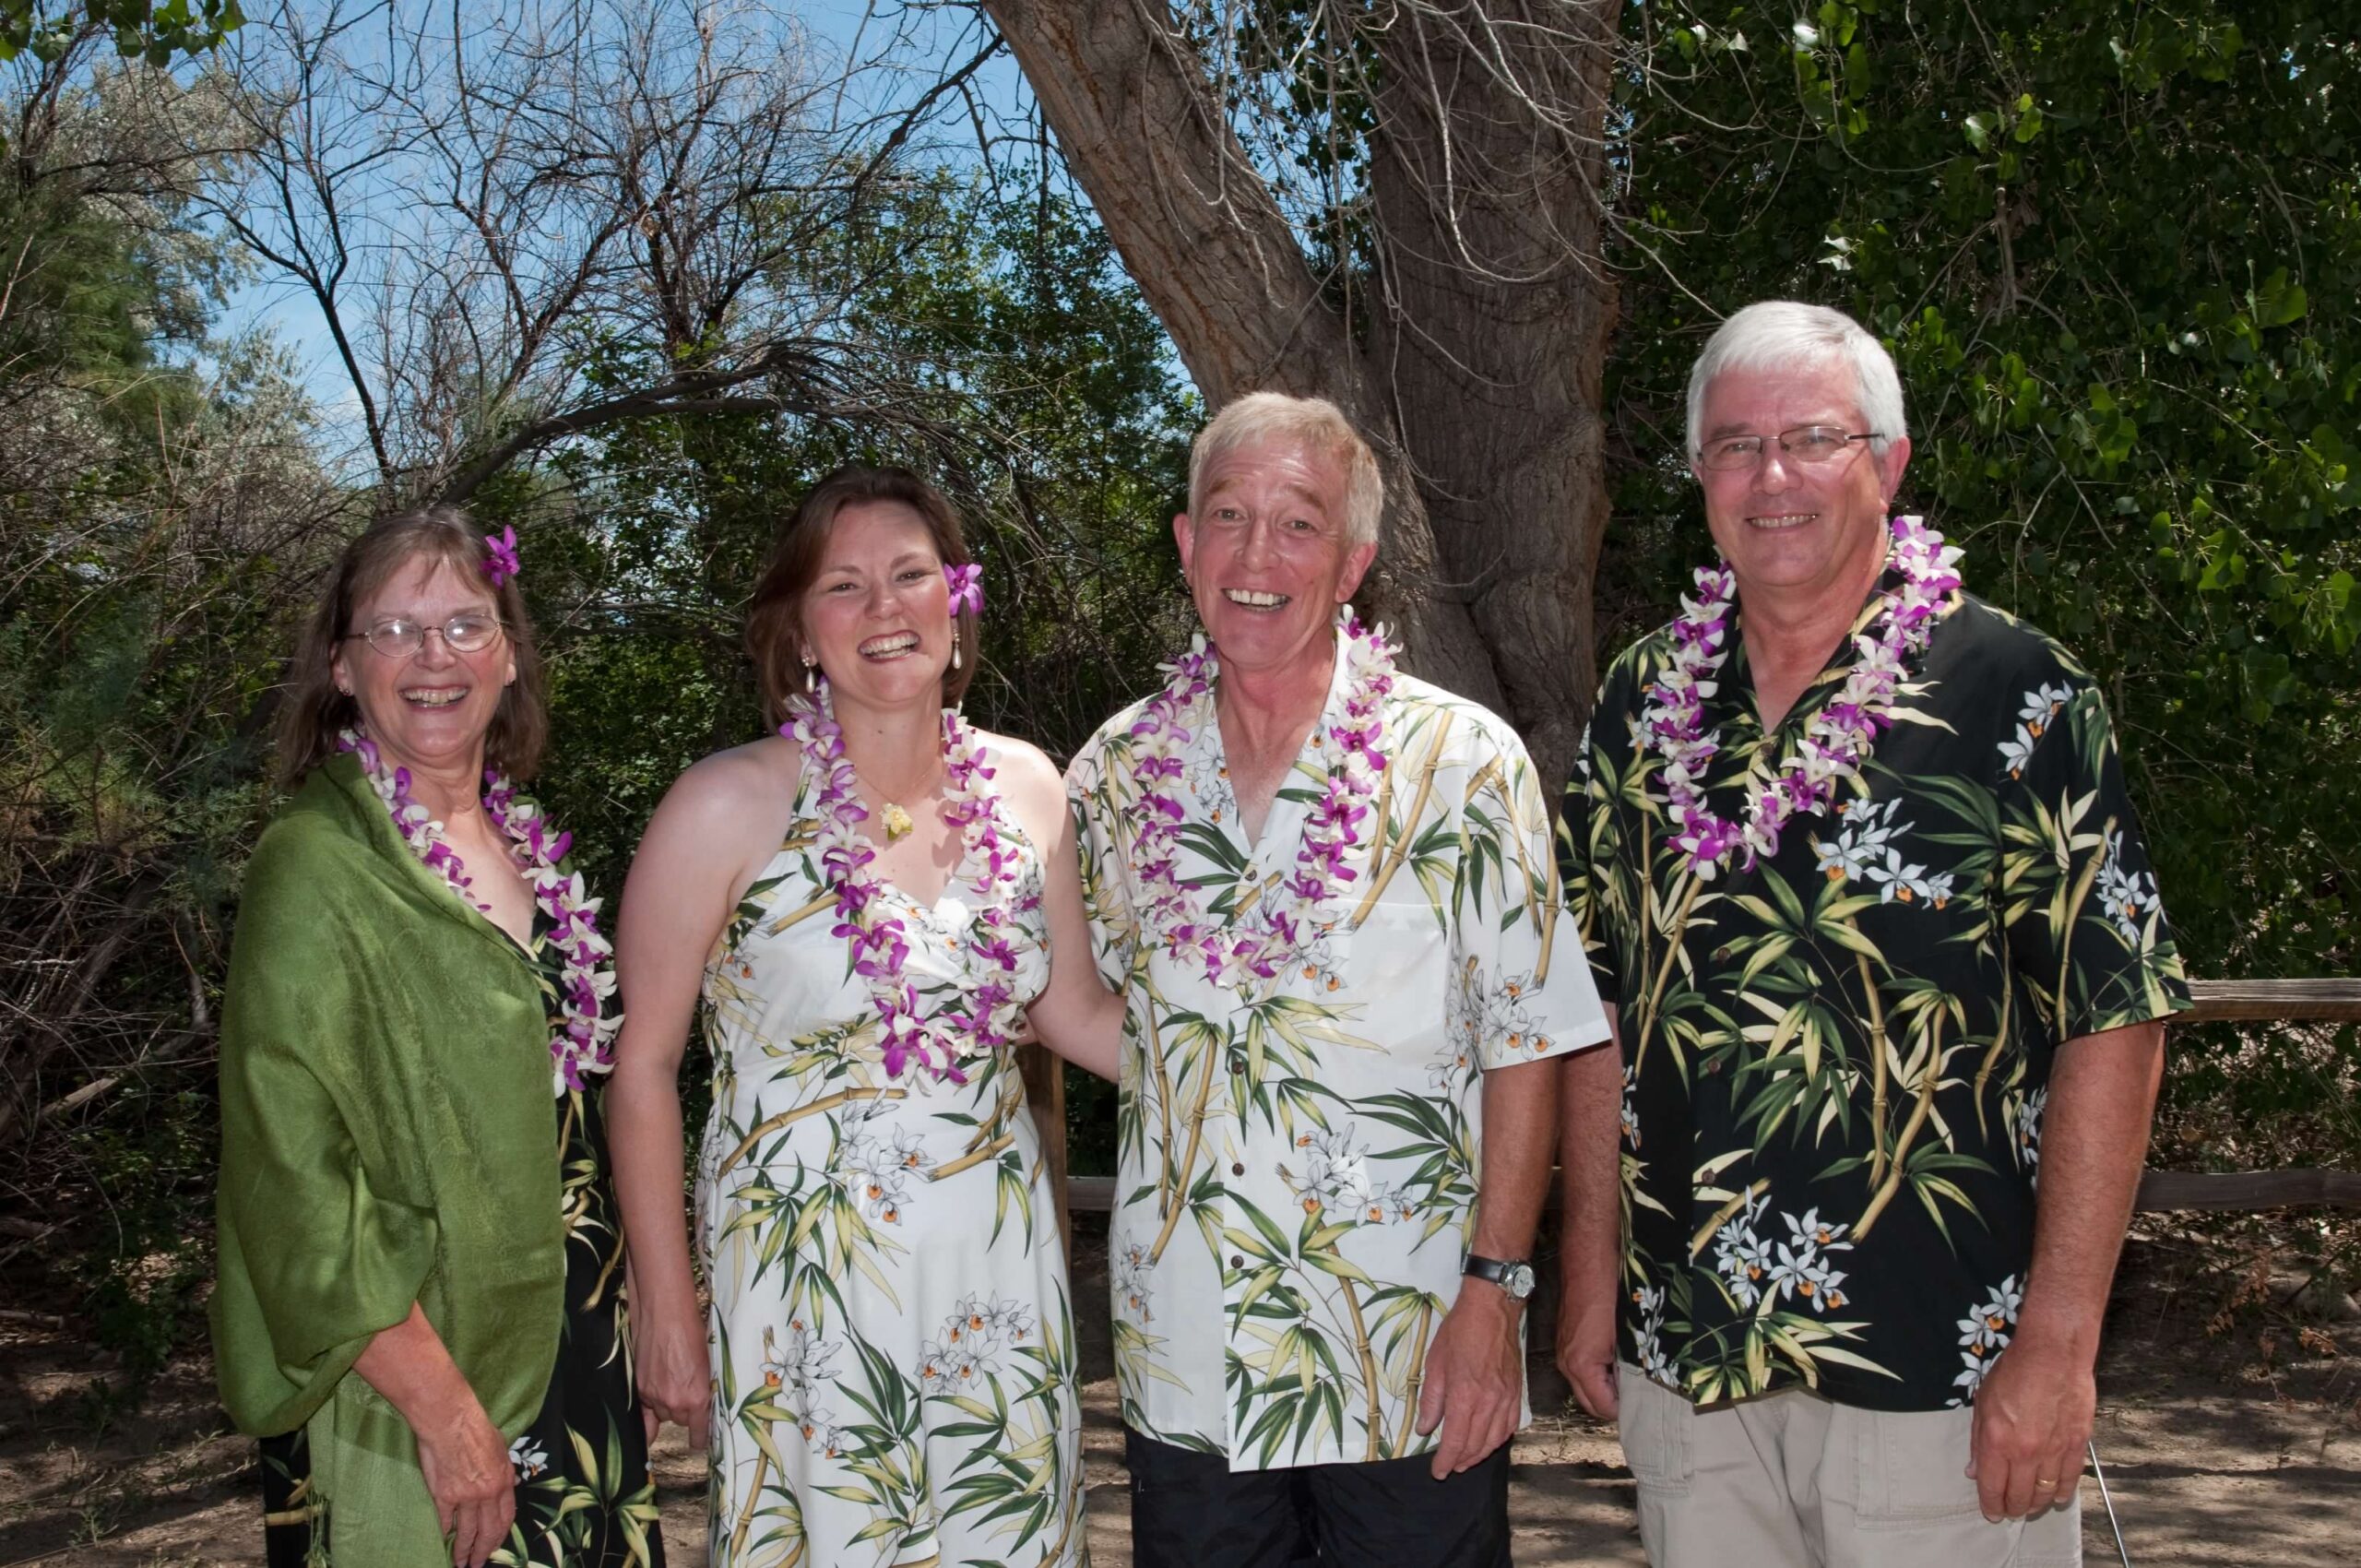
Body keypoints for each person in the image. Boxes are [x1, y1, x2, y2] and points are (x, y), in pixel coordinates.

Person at [1554, 301, 2191, 1567]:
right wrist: (1590, 1282)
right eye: (1735, 446)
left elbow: (2115, 1017)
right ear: (1699, 479)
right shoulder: (1640, 703)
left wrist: (2060, 1347)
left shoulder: (2014, 692)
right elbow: (1592, 1005)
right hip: (1698, 1358)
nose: (1771, 476)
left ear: (1890, 464)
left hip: (1944, 1371)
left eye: (1813, 439)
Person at [1056, 392, 1609, 1568]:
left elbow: (1529, 1042)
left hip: (1402, 1352)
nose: (1258, 556)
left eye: (1298, 524)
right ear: (1184, 543)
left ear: (1354, 562)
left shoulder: (1461, 761)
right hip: (1189, 1358)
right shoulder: (1112, 774)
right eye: (1228, 516)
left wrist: (1495, 1297)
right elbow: (1086, 1009)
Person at [607, 466, 1118, 1568]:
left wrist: (1273, 1049)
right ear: (799, 630)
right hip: (806, 1298)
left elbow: (1073, 1010)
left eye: (911, 575)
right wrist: (665, 1304)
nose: (886, 609)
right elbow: (641, 1065)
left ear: (956, 599)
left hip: (998, 1288)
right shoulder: (724, 804)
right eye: (844, 586)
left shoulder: (1031, 787)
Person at [212, 507, 660, 1568]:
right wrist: (446, 1411)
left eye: (465, 624)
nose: (433, 657)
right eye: (394, 629)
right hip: (419, 1366)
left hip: (572, 1344)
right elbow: (291, 1179)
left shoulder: (528, 845)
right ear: (341, 664)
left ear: (508, 654)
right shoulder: (314, 864)